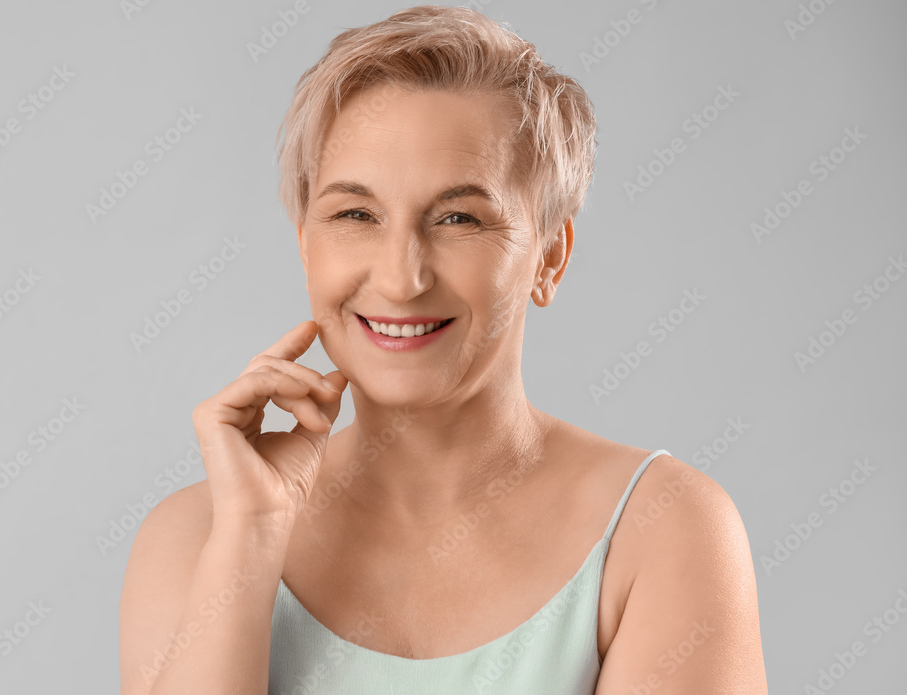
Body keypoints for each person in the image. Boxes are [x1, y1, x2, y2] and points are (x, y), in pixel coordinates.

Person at [119, 6, 769, 694]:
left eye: (458, 217)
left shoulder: (663, 530)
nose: (402, 278)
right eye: (355, 215)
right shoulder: (193, 539)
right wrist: (248, 534)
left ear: (550, 256)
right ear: (306, 244)